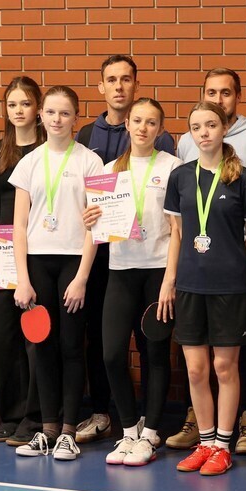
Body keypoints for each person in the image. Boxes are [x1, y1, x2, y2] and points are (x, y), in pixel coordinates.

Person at [169, 67, 246, 454]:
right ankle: (205, 442)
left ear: (224, 128)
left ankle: (222, 447)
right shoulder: (180, 177)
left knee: (225, 367)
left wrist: (234, 266)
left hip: (230, 287)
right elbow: (177, 233)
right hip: (190, 285)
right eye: (197, 127)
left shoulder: (242, 178)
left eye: (211, 125)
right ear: (190, 134)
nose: (204, 133)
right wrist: (170, 280)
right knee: (196, 369)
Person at [74, 55, 176, 443]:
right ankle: (129, 429)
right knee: (112, 353)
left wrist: (170, 279)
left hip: (157, 271)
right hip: (120, 271)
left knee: (155, 352)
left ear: (160, 128)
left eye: (151, 122)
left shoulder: (173, 167)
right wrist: (89, 221)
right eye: (137, 121)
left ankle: (151, 431)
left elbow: (178, 230)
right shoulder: (109, 171)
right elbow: (96, 229)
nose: (143, 128)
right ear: (128, 125)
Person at [11, 86, 102, 461]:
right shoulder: (29, 162)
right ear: (41, 116)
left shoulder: (91, 162)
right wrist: (22, 279)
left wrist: (82, 277)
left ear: (76, 118)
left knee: (71, 346)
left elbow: (97, 226)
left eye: (65, 113)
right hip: (38, 264)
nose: (57, 119)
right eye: (51, 112)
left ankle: (68, 432)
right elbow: (18, 227)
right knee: (42, 347)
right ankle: (47, 429)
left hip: (73, 263)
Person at [0, 76, 45, 445]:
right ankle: (11, 415)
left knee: (34, 340)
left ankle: (35, 418)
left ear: (38, 109)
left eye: (26, 103)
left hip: (39, 254)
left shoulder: (47, 151)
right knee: (1, 341)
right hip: (2, 257)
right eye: (12, 104)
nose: (19, 110)